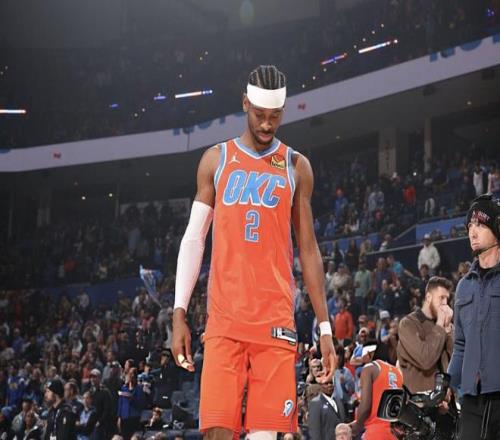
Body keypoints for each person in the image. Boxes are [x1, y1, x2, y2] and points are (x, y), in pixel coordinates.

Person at [172, 65, 336, 440]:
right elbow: (194, 238)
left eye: (274, 116)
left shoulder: (297, 166)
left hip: (275, 322)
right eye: (260, 114)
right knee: (216, 432)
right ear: (245, 103)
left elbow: (308, 249)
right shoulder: (216, 159)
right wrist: (179, 312)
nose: (266, 124)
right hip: (225, 321)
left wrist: (325, 328)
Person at [448, 194, 500, 439]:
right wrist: (448, 383)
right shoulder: (463, 286)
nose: (472, 231)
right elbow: (460, 345)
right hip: (471, 399)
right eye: (469, 226)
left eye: (480, 224)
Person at [397, 276, 454, 393]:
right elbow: (426, 360)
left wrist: (448, 332)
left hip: (447, 400)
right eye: (441, 298)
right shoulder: (408, 324)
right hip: (419, 401)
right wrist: (440, 326)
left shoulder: (446, 325)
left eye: (447, 299)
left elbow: (457, 361)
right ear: (428, 297)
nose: (445, 303)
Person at [349, 341, 403, 439]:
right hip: (395, 433)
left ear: (370, 353)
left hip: (375, 432)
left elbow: (365, 407)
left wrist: (357, 426)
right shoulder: (397, 372)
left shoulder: (369, 368)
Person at [117, 368, 145, 440]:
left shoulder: (139, 388)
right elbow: (120, 403)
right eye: (130, 374)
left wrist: (131, 398)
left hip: (134, 417)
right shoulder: (124, 388)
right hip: (124, 417)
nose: (131, 376)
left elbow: (140, 404)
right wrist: (119, 417)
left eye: (133, 374)